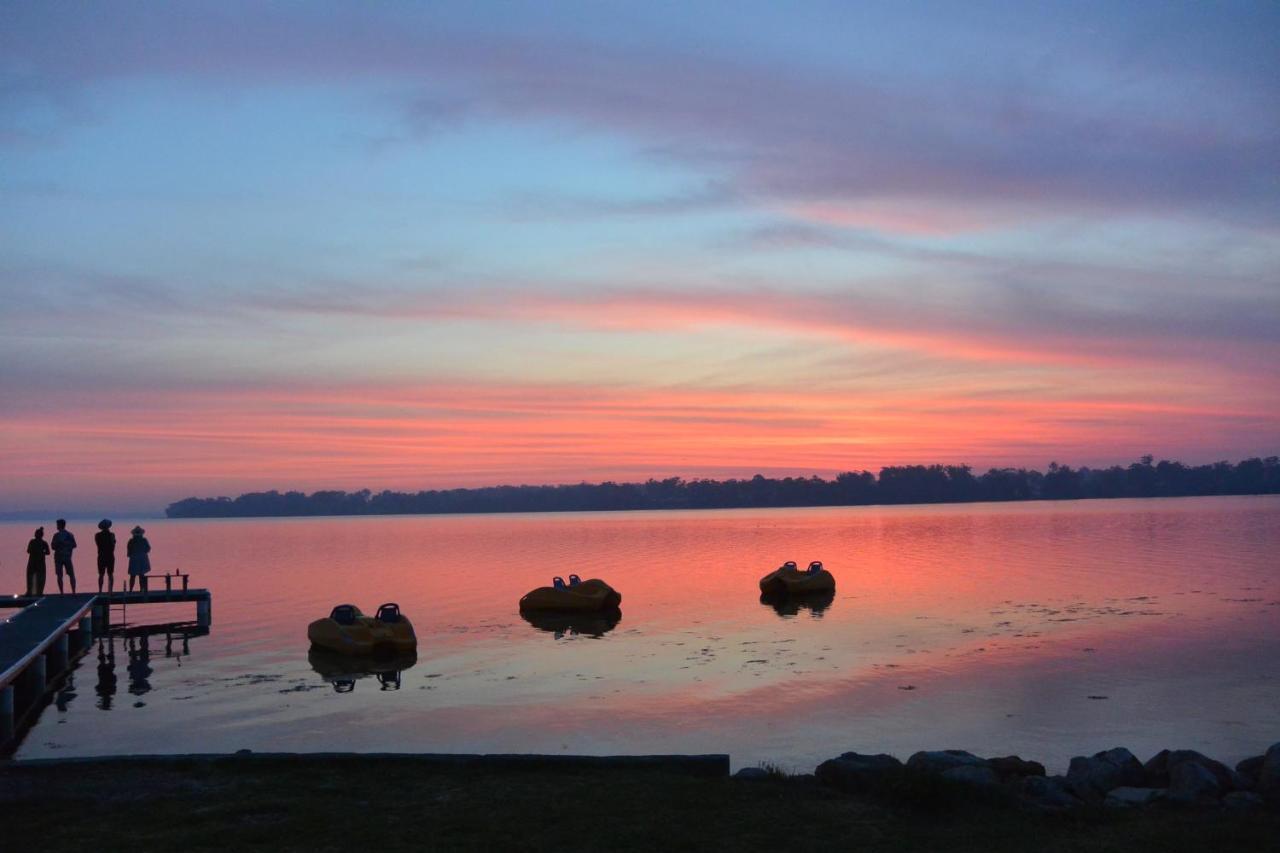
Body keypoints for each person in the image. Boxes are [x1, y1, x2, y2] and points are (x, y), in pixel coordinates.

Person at [50, 518, 77, 594]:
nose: (56, 526)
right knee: (71, 575)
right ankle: (73, 592)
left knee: (60, 575)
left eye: (57, 525)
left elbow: (53, 547)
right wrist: (68, 547)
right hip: (67, 556)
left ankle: (62, 592)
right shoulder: (70, 535)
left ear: (60, 525)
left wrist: (60, 544)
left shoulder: (56, 535)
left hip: (59, 557)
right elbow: (74, 545)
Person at [26, 527, 50, 596]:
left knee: (39, 577)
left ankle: (38, 592)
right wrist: (41, 552)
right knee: (32, 577)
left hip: (37, 562)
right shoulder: (34, 542)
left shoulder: (42, 543)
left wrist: (40, 552)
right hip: (35, 562)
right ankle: (30, 591)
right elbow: (28, 551)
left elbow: (48, 552)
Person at [126, 526, 151, 591]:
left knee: (132, 576)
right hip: (142, 558)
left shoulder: (131, 541)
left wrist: (131, 555)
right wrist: (143, 553)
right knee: (141, 575)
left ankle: (131, 590)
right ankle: (141, 589)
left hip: (133, 559)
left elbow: (129, 551)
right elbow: (148, 549)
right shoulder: (144, 540)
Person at [95, 519, 117, 593]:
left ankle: (100, 590)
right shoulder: (112, 535)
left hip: (101, 556)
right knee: (110, 574)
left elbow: (98, 544)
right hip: (110, 556)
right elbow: (113, 545)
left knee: (101, 574)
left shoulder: (97, 535)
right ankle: (110, 590)